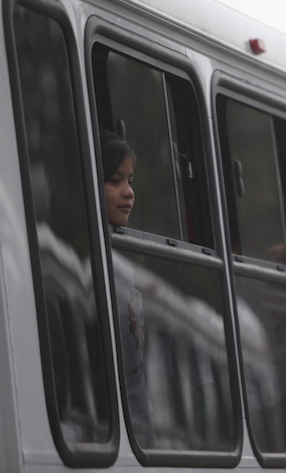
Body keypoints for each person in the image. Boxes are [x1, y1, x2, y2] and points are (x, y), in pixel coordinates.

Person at [101, 127, 156, 448]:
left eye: (130, 181)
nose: (128, 192)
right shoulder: (91, 267)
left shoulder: (124, 271)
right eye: (114, 180)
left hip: (139, 433)